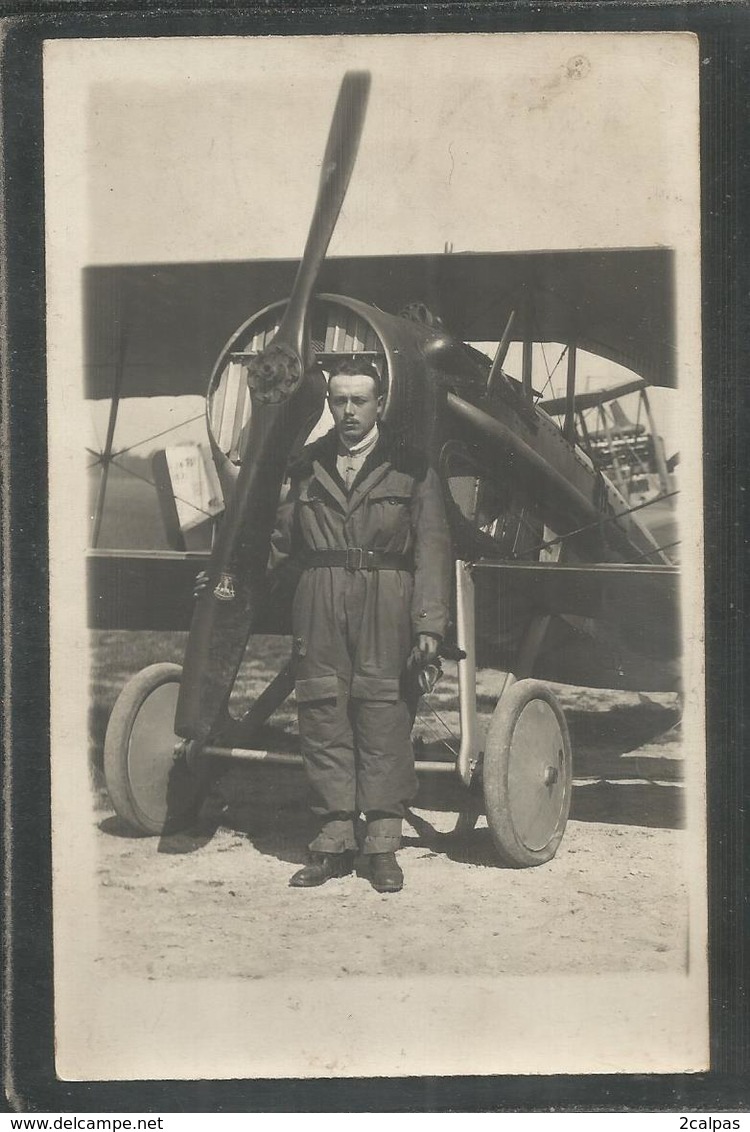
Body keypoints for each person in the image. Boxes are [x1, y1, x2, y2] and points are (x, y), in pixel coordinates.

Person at [268, 358, 452, 892]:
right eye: (339, 400)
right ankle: (332, 841)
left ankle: (383, 846)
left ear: (378, 404)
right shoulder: (304, 466)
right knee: (322, 713)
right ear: (329, 403)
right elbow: (280, 544)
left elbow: (434, 554)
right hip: (319, 597)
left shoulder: (412, 467)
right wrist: (229, 581)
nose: (348, 411)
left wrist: (428, 624)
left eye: (359, 401)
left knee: (383, 714)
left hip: (388, 599)